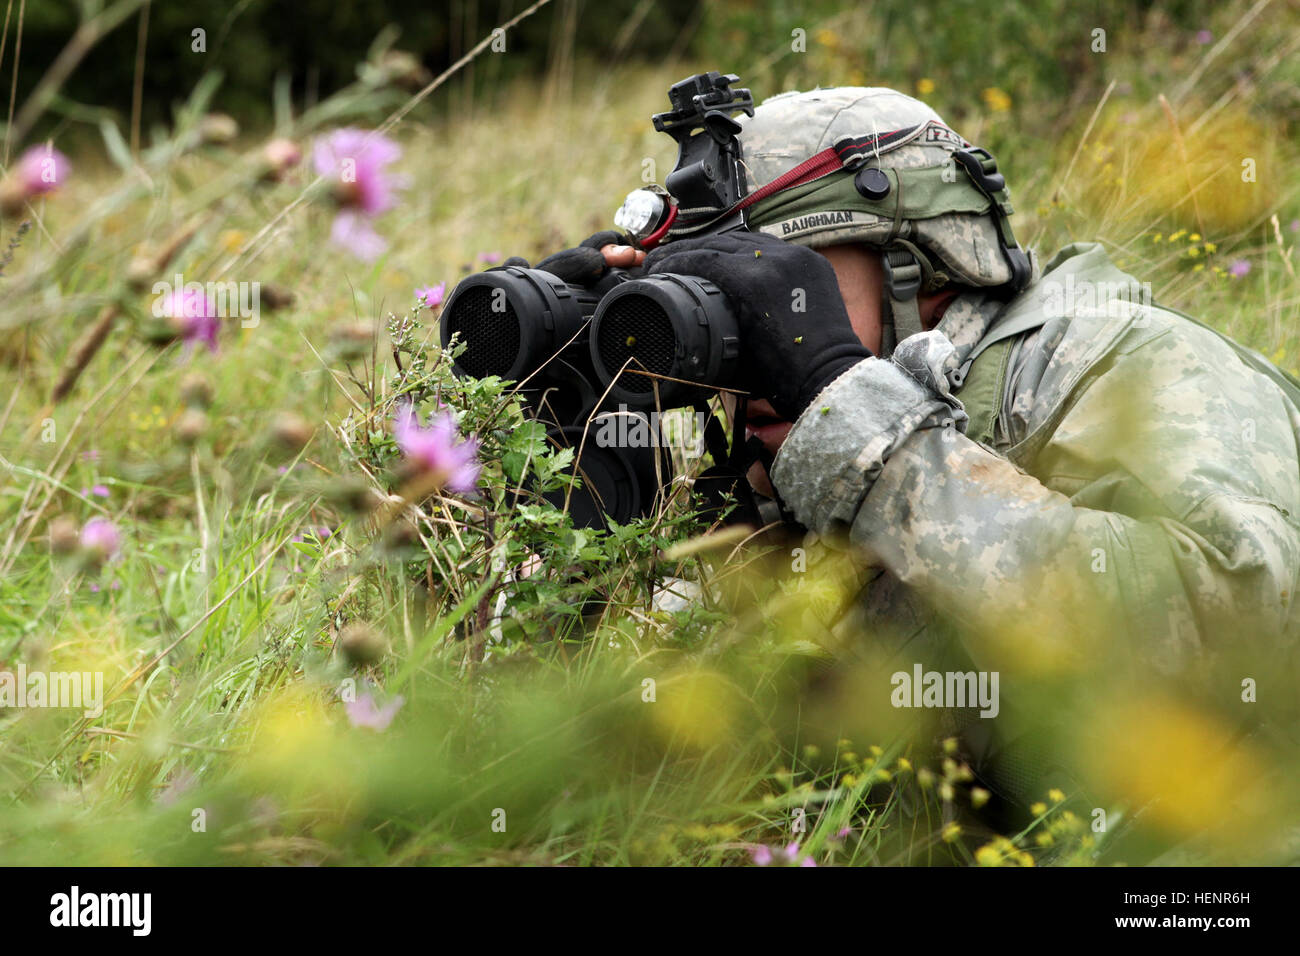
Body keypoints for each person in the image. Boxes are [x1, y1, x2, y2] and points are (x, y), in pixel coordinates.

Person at [518, 86, 1300, 816]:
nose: (750, 340)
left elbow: (1236, 626)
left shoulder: (1117, 362)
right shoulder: (758, 455)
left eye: (781, 290)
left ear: (920, 267)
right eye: (716, 303)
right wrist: (579, 502)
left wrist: (854, 421)